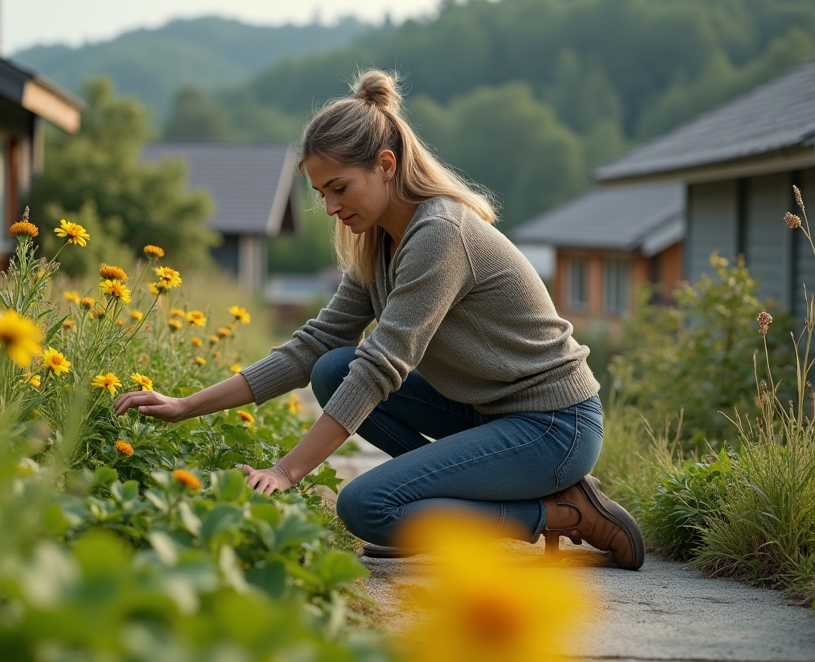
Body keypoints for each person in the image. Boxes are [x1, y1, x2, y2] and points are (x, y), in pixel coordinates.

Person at [113, 70, 644, 570]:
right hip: (489, 413)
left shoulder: (440, 234)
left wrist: (286, 471)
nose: (330, 207)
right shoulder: (379, 243)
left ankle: (561, 511)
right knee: (330, 367)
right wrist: (187, 406)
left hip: (553, 425)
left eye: (340, 188)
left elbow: (381, 365)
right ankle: (434, 512)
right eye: (322, 194)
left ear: (386, 166)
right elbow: (313, 345)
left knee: (368, 507)